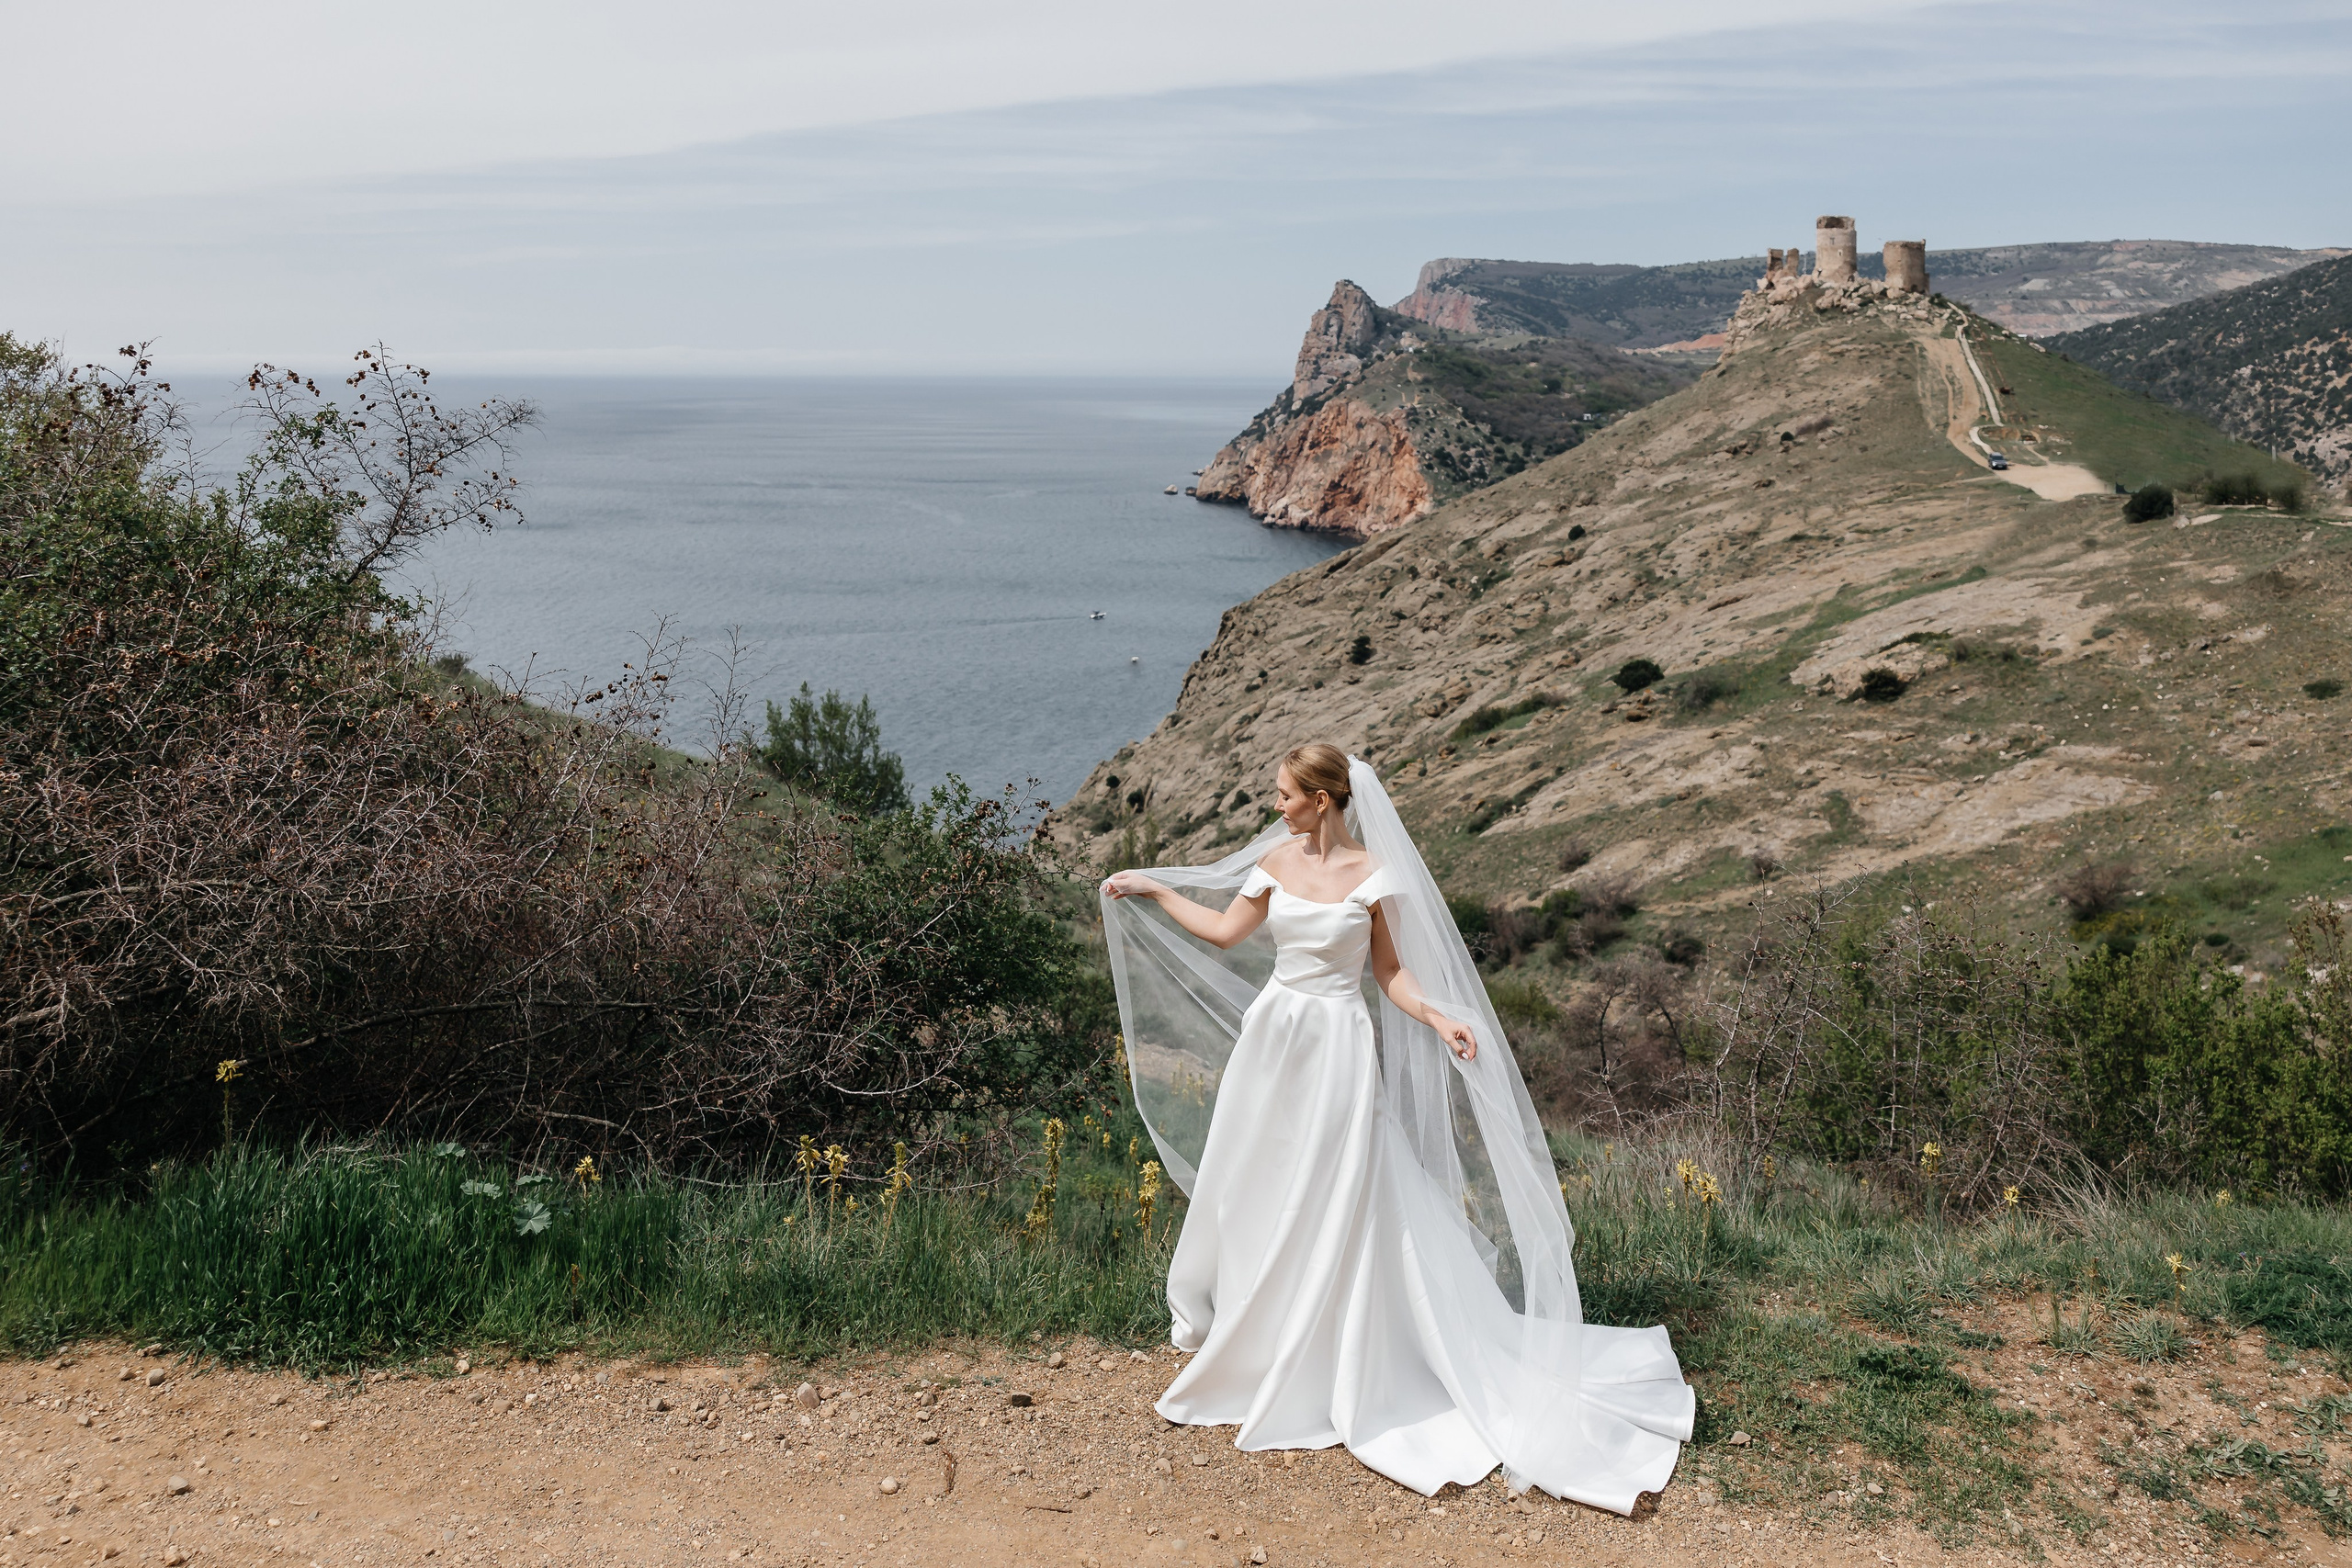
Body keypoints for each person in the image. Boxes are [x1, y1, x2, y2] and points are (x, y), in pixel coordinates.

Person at [1100, 743, 1690, 1512]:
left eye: (1285, 794)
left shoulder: (1377, 875)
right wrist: (1148, 886)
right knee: (1260, 1182)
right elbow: (1221, 932)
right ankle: (1267, 1334)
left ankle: (1346, 1350)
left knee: (1340, 1188)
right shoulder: (1277, 861)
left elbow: (1390, 974)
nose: (1275, 806)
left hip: (1340, 1048)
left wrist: (1441, 1018)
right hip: (1273, 1041)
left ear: (1323, 798)